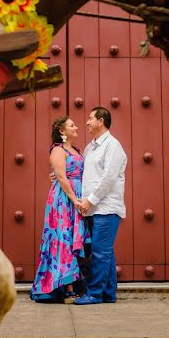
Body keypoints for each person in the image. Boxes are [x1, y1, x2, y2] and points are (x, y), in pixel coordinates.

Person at [31, 116, 89, 303]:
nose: (76, 127)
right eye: (72, 125)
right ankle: (66, 288)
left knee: (72, 239)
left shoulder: (76, 151)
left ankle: (73, 283)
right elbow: (62, 178)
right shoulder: (58, 150)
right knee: (63, 239)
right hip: (63, 200)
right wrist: (75, 200)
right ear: (62, 131)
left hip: (76, 197)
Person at [74, 107, 127, 305]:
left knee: (100, 251)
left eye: (90, 119)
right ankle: (108, 293)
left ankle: (95, 293)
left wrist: (90, 200)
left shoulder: (113, 146)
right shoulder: (90, 148)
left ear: (101, 120)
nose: (86, 122)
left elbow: (108, 178)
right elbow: (83, 174)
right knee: (105, 251)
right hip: (92, 209)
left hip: (106, 208)